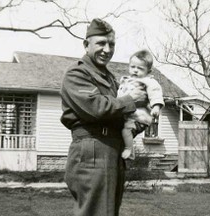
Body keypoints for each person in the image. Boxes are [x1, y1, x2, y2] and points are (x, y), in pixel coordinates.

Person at [60, 18, 147, 216]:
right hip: (93, 148)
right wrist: (130, 100)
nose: (107, 49)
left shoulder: (111, 79)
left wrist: (139, 120)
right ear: (86, 44)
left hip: (112, 148)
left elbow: (120, 115)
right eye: (101, 43)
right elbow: (95, 108)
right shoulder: (77, 73)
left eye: (112, 44)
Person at [117, 49, 165, 160]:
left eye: (140, 68)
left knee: (126, 130)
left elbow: (156, 92)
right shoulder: (126, 80)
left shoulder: (149, 81)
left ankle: (129, 150)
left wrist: (156, 106)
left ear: (148, 71)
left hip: (140, 116)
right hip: (129, 114)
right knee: (120, 129)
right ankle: (127, 150)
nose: (135, 71)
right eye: (133, 67)